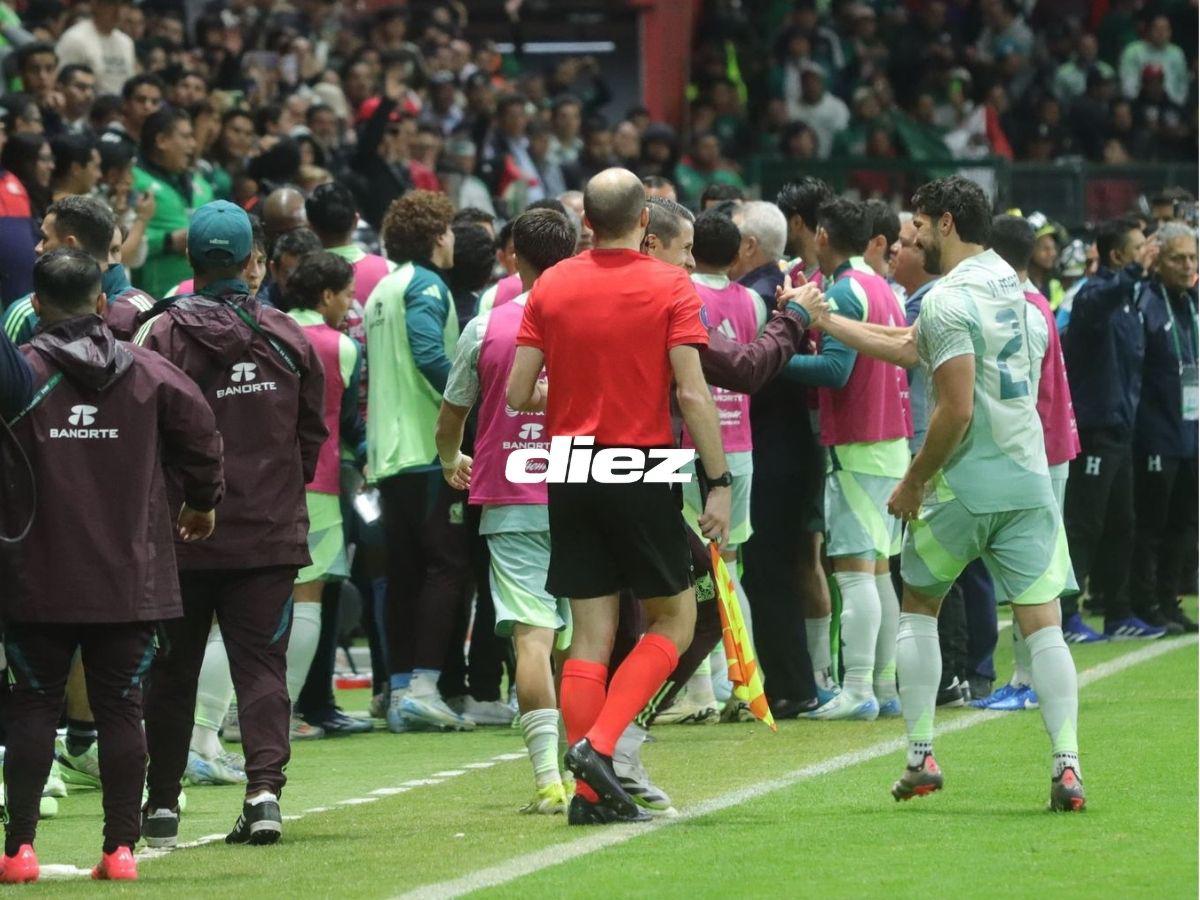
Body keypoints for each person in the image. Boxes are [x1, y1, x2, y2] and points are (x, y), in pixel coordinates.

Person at [785, 175, 1085, 812]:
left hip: (963, 483)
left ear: (945, 223)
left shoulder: (948, 300)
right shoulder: (1013, 282)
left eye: (917, 224)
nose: (909, 236)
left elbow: (954, 409)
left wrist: (914, 481)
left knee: (918, 602)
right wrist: (826, 319)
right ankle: (1066, 763)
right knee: (1043, 623)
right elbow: (907, 347)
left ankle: (920, 755)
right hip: (1028, 478)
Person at [506, 167, 731, 825]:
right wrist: (717, 482)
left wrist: (573, 395)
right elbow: (692, 392)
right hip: (643, 461)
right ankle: (600, 752)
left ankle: (588, 790)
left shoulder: (552, 283)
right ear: (643, 222)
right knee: (675, 618)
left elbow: (520, 393)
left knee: (590, 635)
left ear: (585, 224)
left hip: (571, 465)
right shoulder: (669, 284)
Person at [0, 248, 222, 884]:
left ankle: (19, 852)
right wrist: (204, 504)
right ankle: (121, 850)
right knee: (122, 706)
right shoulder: (149, 371)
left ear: (36, 306)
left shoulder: (19, 375)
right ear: (103, 304)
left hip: (35, 572)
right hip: (129, 573)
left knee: (34, 705)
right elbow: (204, 435)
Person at [139, 200, 327, 848]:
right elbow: (311, 437)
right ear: (254, 262)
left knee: (170, 672)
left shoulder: (159, 336)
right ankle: (264, 794)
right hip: (267, 534)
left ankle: (161, 805)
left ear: (190, 261)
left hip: (179, 537)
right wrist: (271, 494)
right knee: (261, 669)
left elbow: (143, 439)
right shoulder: (288, 335)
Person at [436, 207, 578, 814]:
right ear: (572, 255)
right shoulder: (593, 321)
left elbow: (452, 416)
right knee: (587, 641)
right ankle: (592, 766)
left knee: (532, 639)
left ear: (512, 256)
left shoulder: (485, 328)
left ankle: (549, 779)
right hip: (585, 492)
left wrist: (449, 460)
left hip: (513, 500)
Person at [783, 199, 910, 721]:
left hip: (859, 444)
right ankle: (882, 685)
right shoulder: (884, 289)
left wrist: (772, 358)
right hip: (890, 443)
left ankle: (857, 689)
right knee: (879, 572)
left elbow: (835, 371)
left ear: (824, 237)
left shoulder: (843, 291)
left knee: (856, 573)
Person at [366, 190, 474, 733]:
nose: (454, 239)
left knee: (404, 572)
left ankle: (402, 684)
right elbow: (430, 353)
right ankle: (428, 686)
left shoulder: (382, 287)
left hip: (388, 455)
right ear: (437, 236)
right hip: (430, 451)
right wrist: (466, 409)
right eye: (450, 230)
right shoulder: (427, 285)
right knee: (446, 566)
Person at [974, 214, 1082, 711]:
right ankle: (1029, 674)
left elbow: (1025, 396)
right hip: (1051, 447)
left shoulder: (1021, 308)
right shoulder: (1035, 302)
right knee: (1036, 568)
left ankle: (1025, 676)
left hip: (1038, 453)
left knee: (1033, 570)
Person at [732, 197, 824, 715]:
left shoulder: (759, 296)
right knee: (780, 568)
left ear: (749, 244)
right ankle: (794, 682)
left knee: (769, 570)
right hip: (790, 445)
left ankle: (791, 687)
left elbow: (755, 374)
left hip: (772, 449)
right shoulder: (782, 288)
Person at [1060, 218, 1165, 641]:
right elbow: (1102, 297)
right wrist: (1134, 273)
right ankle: (1067, 615)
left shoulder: (1130, 300)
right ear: (1119, 256)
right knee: (1084, 523)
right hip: (1095, 430)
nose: (1147, 254)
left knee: (1123, 522)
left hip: (1121, 430)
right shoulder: (1093, 296)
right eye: (1139, 248)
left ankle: (1119, 613)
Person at [284, 251, 367, 737]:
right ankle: (285, 713)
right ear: (326, 295)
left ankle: (228, 712)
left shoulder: (268, 328)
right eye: (347, 295)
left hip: (264, 484)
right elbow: (346, 421)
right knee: (308, 600)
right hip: (319, 482)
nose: (351, 305)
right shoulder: (339, 346)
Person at [1128, 223, 1198, 633]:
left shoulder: (1192, 303)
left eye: (1192, 257)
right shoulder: (1145, 301)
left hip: (1190, 433)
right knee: (1151, 524)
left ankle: (1170, 600)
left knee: (1184, 524)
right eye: (1178, 257)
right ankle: (1144, 602)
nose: (1187, 265)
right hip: (1155, 432)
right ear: (1158, 261)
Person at [3, 196, 154, 345]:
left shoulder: (144, 317)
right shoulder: (26, 315)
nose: (38, 248)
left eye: (45, 238)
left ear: (70, 246)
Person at [132, 107, 214, 299]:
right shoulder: (133, 181)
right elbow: (119, 240)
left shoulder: (199, 182)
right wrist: (167, 242)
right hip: (153, 299)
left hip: (199, 297)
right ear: (161, 141)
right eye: (185, 137)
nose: (192, 144)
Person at [55, 0, 136, 97]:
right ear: (94, 5)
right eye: (111, 4)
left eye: (123, 4)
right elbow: (60, 83)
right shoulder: (75, 39)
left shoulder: (126, 43)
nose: (118, 11)